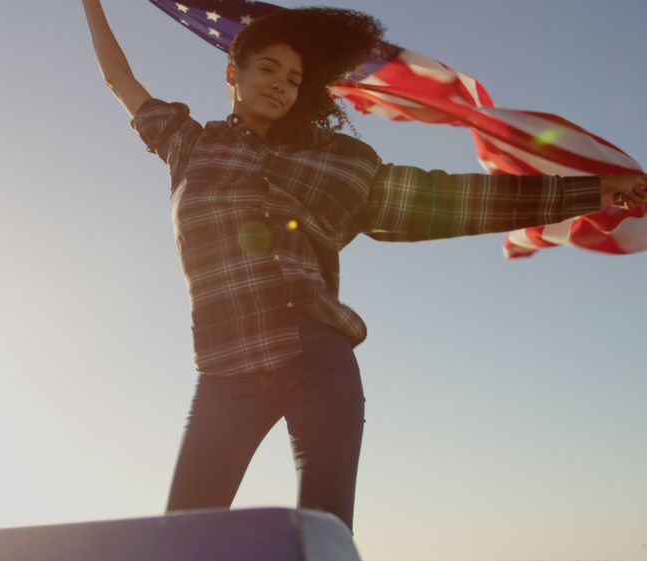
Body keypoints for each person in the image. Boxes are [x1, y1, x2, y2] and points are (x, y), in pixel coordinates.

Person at [80, 0, 647, 532]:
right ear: (234, 73)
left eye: (294, 79)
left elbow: (458, 200)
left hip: (317, 361)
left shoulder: (334, 166)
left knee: (325, 530)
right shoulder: (188, 145)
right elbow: (118, 80)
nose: (280, 85)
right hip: (226, 369)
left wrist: (594, 191)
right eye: (268, 70)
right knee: (182, 533)